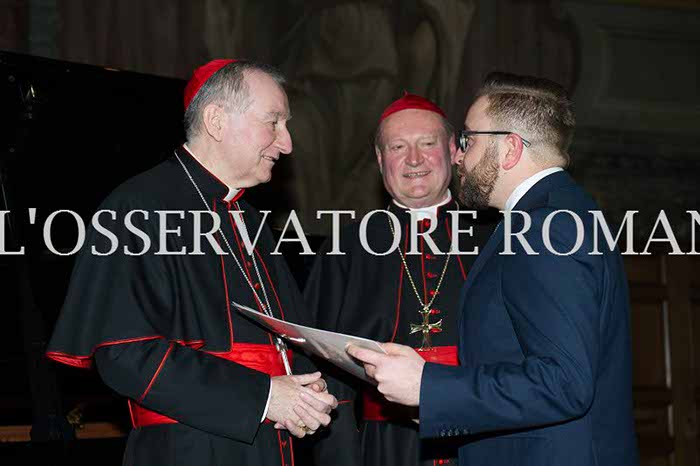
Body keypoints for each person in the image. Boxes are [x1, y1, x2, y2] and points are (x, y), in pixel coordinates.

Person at [46, 59, 338, 466]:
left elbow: (285, 339)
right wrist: (264, 396)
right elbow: (125, 354)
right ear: (216, 121)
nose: (287, 143)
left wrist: (305, 391)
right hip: (188, 448)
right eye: (273, 122)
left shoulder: (249, 219)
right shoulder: (138, 207)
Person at [347, 73, 640, 466]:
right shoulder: (553, 214)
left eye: (468, 141)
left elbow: (564, 383)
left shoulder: (546, 228)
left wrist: (429, 388)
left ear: (510, 149)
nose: (458, 156)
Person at [304, 93, 492, 466]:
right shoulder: (347, 246)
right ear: (380, 159)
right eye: (398, 147)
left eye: (427, 144)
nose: (414, 159)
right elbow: (320, 359)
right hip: (383, 445)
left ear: (453, 150)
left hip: (484, 435)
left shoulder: (495, 236)